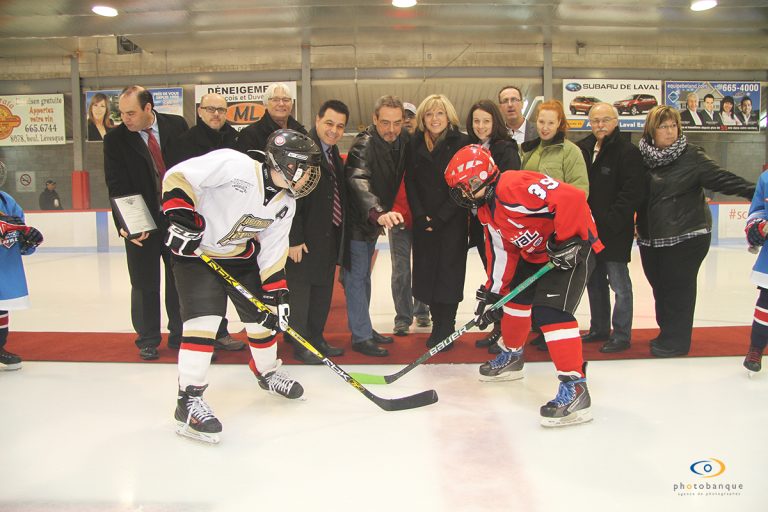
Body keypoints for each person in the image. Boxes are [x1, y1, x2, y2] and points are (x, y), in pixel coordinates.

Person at [163, 130, 321, 443]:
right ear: (287, 164)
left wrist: (276, 293)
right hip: (198, 255)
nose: (309, 177)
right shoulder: (235, 165)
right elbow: (178, 176)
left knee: (264, 320)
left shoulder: (286, 204)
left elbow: (274, 250)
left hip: (239, 257)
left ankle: (267, 372)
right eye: (306, 168)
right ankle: (189, 400)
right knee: (203, 324)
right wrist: (182, 216)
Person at [445, 145, 603, 427]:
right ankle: (513, 356)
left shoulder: (514, 186)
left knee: (550, 313)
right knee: (514, 302)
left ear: (482, 176)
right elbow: (501, 250)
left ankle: (576, 389)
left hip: (573, 250)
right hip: (539, 254)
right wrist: (494, 293)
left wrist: (568, 240)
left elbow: (573, 198)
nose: (464, 194)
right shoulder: (486, 209)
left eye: (466, 186)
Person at [637, 105, 755, 358]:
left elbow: (724, 179)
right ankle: (667, 333)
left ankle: (677, 343)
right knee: (659, 287)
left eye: (673, 126)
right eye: (663, 126)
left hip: (687, 234)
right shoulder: (641, 158)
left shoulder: (692, 156)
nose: (670, 132)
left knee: (679, 287)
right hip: (651, 238)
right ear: (651, 130)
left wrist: (757, 192)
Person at [103, 85, 189, 361]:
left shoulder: (176, 126)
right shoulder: (115, 140)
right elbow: (115, 184)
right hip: (141, 221)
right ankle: (148, 338)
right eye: (122, 114)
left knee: (179, 280)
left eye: (131, 113)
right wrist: (125, 224)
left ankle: (180, 333)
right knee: (143, 282)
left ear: (148, 108)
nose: (125, 119)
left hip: (177, 218)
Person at [165, 92, 244, 352]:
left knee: (221, 281)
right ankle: (190, 338)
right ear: (199, 111)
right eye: (210, 109)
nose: (216, 114)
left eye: (221, 110)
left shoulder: (235, 140)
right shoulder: (184, 142)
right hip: (195, 224)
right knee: (193, 287)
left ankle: (220, 332)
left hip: (226, 225)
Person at [577, 103, 646, 353]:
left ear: (616, 121)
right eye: (595, 120)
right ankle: (599, 328)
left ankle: (622, 334)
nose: (600, 125)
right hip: (588, 230)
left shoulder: (627, 152)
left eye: (605, 120)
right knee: (594, 282)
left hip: (615, 232)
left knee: (619, 284)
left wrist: (612, 222)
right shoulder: (583, 148)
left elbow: (632, 192)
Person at [520, 99, 589, 351]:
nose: (545, 127)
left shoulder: (570, 151)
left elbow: (580, 190)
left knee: (555, 286)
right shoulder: (528, 150)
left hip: (560, 231)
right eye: (541, 122)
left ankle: (553, 331)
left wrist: (559, 214)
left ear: (560, 124)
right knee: (534, 284)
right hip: (533, 232)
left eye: (551, 122)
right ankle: (539, 329)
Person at [343, 95, 407, 357]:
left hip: (371, 222)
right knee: (356, 279)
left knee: (363, 277)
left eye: (397, 123)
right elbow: (358, 179)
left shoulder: (399, 141)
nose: (391, 129)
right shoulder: (364, 145)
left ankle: (365, 328)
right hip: (359, 221)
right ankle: (360, 337)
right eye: (385, 123)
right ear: (374, 120)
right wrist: (376, 211)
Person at [286, 100, 349, 364]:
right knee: (301, 294)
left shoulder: (332, 153)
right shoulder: (302, 152)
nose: (334, 130)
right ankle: (301, 344)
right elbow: (290, 197)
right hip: (304, 239)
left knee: (322, 291)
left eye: (340, 126)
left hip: (327, 236)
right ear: (317, 120)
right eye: (329, 123)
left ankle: (316, 337)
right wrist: (294, 239)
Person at [405, 94, 470, 349]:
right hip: (424, 222)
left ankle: (447, 325)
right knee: (428, 274)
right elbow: (410, 181)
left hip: (451, 220)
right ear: (423, 118)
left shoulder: (461, 142)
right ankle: (436, 322)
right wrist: (421, 216)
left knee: (449, 274)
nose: (434, 119)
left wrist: (441, 217)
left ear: (449, 116)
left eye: (440, 113)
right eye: (429, 114)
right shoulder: (413, 143)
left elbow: (464, 184)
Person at [466, 98, 521, 350]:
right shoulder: (471, 148)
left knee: (503, 278)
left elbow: (508, 186)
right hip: (482, 226)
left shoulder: (504, 148)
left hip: (501, 225)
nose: (481, 125)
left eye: (486, 121)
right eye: (476, 121)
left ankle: (505, 331)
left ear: (494, 122)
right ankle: (498, 326)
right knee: (493, 276)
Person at [389, 100, 431, 336]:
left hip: (422, 216)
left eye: (410, 116)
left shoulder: (425, 145)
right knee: (401, 269)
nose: (406, 120)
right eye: (401, 116)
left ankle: (422, 312)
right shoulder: (391, 146)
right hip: (398, 217)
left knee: (423, 267)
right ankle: (403, 317)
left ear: (418, 119)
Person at [0, 191, 44, 370]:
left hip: (3, 267)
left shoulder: (5, 200)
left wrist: (28, 240)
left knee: (1, 305)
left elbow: (17, 240)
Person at [236, 82, 306, 153]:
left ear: (292, 104)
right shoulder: (249, 135)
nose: (281, 104)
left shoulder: (301, 133)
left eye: (286, 100)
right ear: (265, 104)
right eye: (275, 100)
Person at [744, 170, 768, 374]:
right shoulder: (766, 178)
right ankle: (756, 348)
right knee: (766, 305)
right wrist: (758, 227)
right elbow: (758, 210)